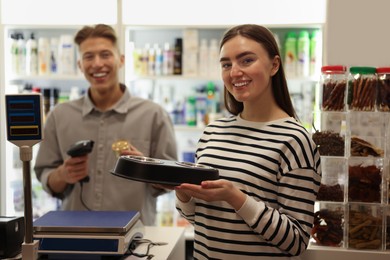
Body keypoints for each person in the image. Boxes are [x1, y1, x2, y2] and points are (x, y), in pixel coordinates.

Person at [174, 24, 322, 259]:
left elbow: (296, 241)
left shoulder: (295, 140)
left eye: (246, 61)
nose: (234, 72)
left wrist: (235, 197)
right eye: (226, 64)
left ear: (274, 65)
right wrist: (183, 194)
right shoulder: (213, 133)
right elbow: (199, 219)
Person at [34, 24, 177, 226]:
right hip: (75, 236)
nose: (98, 64)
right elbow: (45, 177)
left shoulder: (154, 114)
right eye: (89, 57)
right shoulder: (59, 115)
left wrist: (147, 168)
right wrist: (63, 174)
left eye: (105, 54)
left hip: (136, 240)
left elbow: (173, 182)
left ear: (121, 60)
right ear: (79, 65)